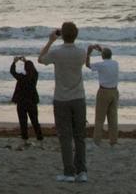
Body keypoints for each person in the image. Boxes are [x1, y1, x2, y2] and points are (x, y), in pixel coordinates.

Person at [39, 22, 87, 184]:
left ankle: (69, 172)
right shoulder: (81, 53)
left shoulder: (57, 52)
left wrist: (51, 41)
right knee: (80, 136)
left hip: (61, 98)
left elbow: (40, 59)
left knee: (65, 137)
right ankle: (82, 171)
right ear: (76, 35)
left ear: (61, 35)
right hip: (79, 98)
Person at [86, 44, 119, 146]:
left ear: (102, 56)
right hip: (114, 92)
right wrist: (101, 50)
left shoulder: (101, 65)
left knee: (100, 118)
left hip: (104, 92)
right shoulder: (115, 63)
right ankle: (113, 140)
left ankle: (97, 141)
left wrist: (88, 53)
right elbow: (106, 57)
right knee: (113, 118)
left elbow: (87, 65)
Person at [9, 56, 43, 145]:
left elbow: (12, 72)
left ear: (25, 68)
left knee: (23, 120)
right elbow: (34, 71)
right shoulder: (34, 77)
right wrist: (26, 61)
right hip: (32, 101)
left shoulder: (21, 77)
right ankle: (39, 136)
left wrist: (14, 62)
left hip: (21, 102)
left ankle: (25, 136)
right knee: (35, 120)